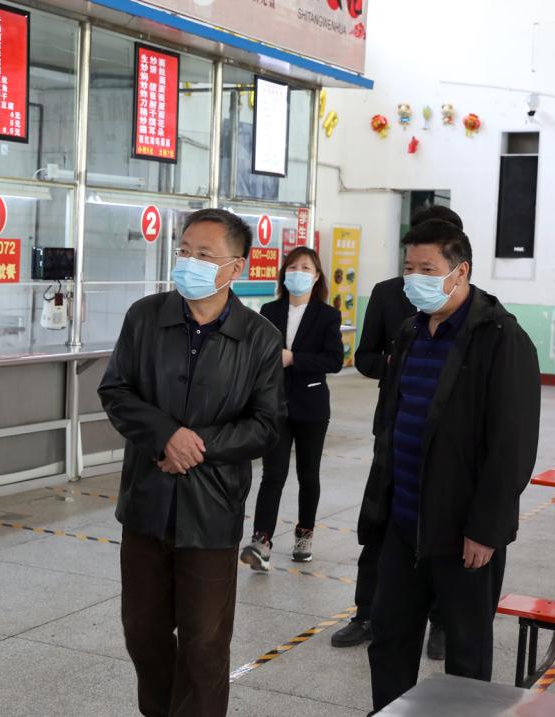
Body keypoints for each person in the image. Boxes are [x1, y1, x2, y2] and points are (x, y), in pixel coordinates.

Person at [98, 208, 284, 717]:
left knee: (204, 643)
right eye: (184, 251)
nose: (189, 262)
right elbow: (115, 390)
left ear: (236, 267)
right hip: (147, 503)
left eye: (204, 254)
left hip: (211, 510)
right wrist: (165, 437)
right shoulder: (145, 317)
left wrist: (195, 444)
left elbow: (266, 425)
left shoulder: (259, 338)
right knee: (143, 632)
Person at [361, 219, 541, 712]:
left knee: (465, 655)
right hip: (402, 524)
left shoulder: (501, 339)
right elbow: (391, 425)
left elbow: (512, 446)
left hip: (464, 535)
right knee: (389, 641)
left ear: (460, 271)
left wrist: (485, 528)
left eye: (427, 269)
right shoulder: (409, 332)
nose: (414, 279)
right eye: (408, 268)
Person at [331, 205, 463, 657]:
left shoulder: (471, 308)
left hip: (444, 439)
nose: (420, 274)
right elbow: (365, 357)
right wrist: (398, 362)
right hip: (394, 429)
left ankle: (441, 622)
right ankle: (366, 613)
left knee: (441, 533)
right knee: (381, 524)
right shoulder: (389, 294)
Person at [240, 246, 343, 570]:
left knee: (308, 475)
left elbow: (334, 360)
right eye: (293, 267)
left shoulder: (327, 315)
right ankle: (261, 540)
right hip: (275, 405)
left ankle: (304, 534)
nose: (298, 273)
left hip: (312, 405)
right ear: (284, 274)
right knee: (273, 474)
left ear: (317, 276)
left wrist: (295, 359)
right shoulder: (269, 310)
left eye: (306, 268)